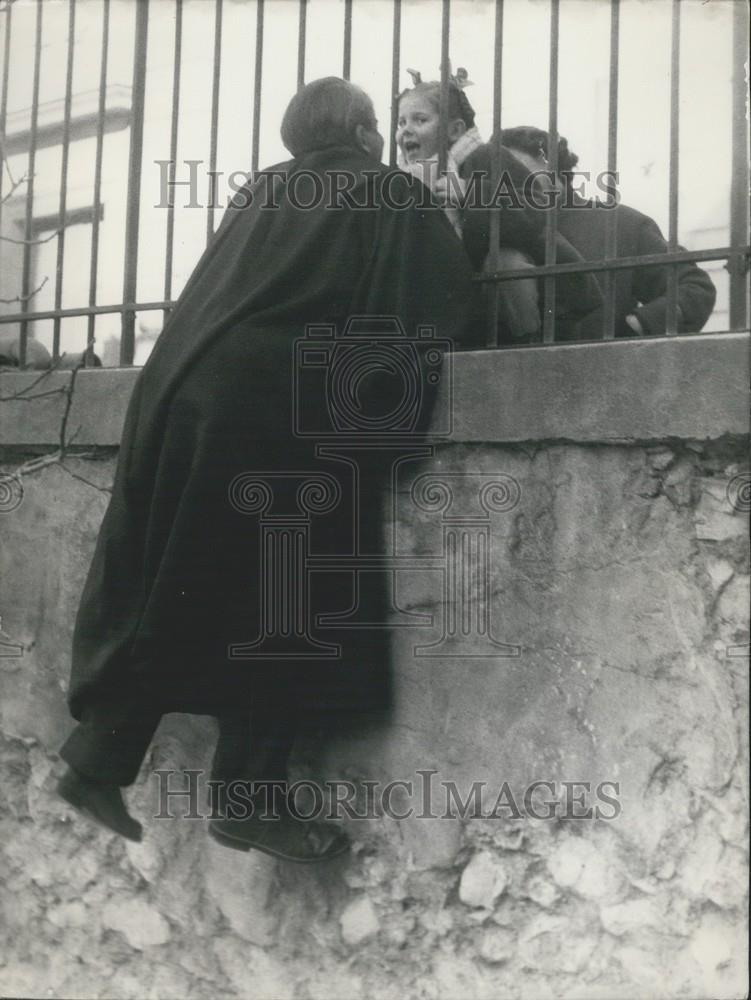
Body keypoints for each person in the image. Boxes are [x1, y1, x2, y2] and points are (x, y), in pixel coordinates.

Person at [56, 77, 482, 863]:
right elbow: (432, 307)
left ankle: (95, 761)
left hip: (180, 397)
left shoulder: (258, 193)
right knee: (286, 601)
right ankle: (249, 801)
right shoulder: (384, 190)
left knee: (180, 580)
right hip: (277, 408)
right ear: (360, 133)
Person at [395, 73, 603, 341]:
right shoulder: (406, 178)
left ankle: (529, 343)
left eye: (420, 120)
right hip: (465, 290)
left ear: (455, 130)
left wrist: (472, 193)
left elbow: (536, 206)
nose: (406, 130)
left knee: (504, 261)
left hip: (535, 290)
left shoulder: (484, 157)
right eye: (401, 122)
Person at [500, 125, 717, 340]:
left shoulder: (619, 223)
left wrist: (639, 324)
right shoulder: (492, 231)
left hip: (600, 367)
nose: (511, 187)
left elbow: (695, 288)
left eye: (521, 175)